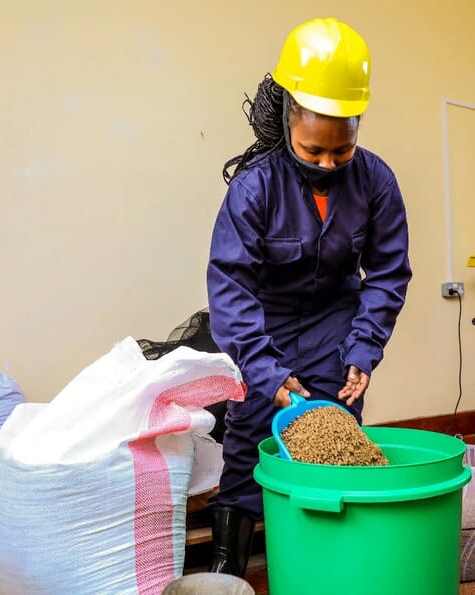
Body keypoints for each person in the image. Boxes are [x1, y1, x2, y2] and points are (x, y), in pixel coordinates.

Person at [206, 17, 412, 577]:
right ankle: (229, 565)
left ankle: (327, 563)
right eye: (312, 150)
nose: (327, 164)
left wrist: (363, 350)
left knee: (336, 434)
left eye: (341, 151)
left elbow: (389, 273)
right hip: (261, 328)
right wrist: (265, 372)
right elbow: (231, 285)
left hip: (335, 326)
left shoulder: (377, 183)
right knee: (250, 439)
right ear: (287, 117)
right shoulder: (254, 187)